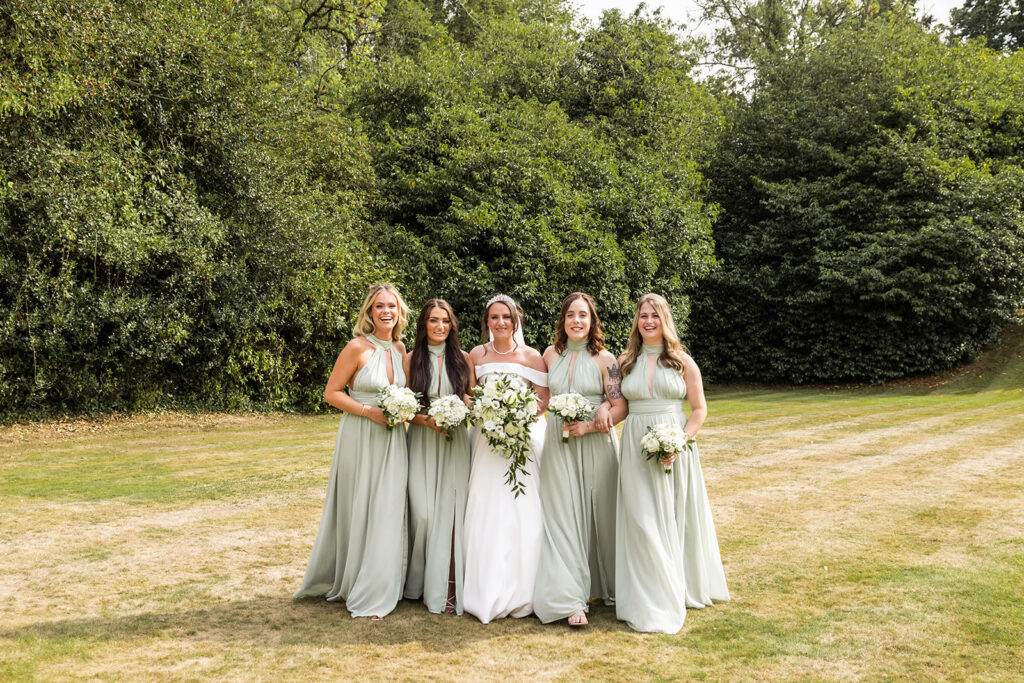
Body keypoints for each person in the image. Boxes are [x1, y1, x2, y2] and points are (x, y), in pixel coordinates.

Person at [293, 283, 410, 620]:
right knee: (359, 505)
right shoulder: (357, 347)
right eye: (379, 306)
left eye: (391, 306)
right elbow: (332, 392)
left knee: (388, 505)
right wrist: (368, 411)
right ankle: (358, 582)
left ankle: (382, 581)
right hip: (360, 434)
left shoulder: (401, 349)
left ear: (399, 312)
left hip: (393, 439)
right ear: (369, 312)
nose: (386, 311)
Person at [615, 293, 729, 634]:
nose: (648, 321)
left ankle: (676, 585)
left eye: (655, 315)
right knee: (641, 518)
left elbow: (699, 410)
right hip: (635, 445)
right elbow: (618, 405)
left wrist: (680, 441)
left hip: (673, 445)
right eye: (643, 315)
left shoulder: (682, 362)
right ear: (637, 321)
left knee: (673, 515)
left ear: (665, 320)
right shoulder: (625, 361)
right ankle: (647, 590)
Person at [534, 292, 626, 628]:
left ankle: (611, 587)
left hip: (596, 442)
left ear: (592, 320)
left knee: (601, 513)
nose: (576, 320)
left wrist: (596, 416)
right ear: (563, 320)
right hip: (559, 442)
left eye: (583, 315)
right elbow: (542, 398)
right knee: (562, 514)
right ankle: (572, 598)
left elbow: (620, 405)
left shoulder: (606, 359)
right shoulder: (549, 355)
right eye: (571, 314)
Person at [462, 294, 550, 624]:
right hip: (486, 442)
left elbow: (543, 400)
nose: (501, 323)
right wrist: (490, 414)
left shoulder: (532, 356)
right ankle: (487, 588)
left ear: (516, 320)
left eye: (507, 317)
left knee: (523, 508)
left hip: (522, 441)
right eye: (494, 317)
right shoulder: (477, 354)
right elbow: (470, 395)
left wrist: (516, 417)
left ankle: (525, 590)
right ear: (487, 322)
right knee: (487, 507)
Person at [403, 299, 475, 615]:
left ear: (452, 325)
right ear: (424, 325)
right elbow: (403, 407)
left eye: (445, 321)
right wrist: (429, 421)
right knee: (423, 514)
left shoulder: (463, 358)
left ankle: (449, 587)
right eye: (433, 320)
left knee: (452, 515)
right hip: (422, 439)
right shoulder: (411, 359)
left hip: (455, 442)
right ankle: (418, 583)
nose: (440, 326)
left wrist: (462, 411)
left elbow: (471, 398)